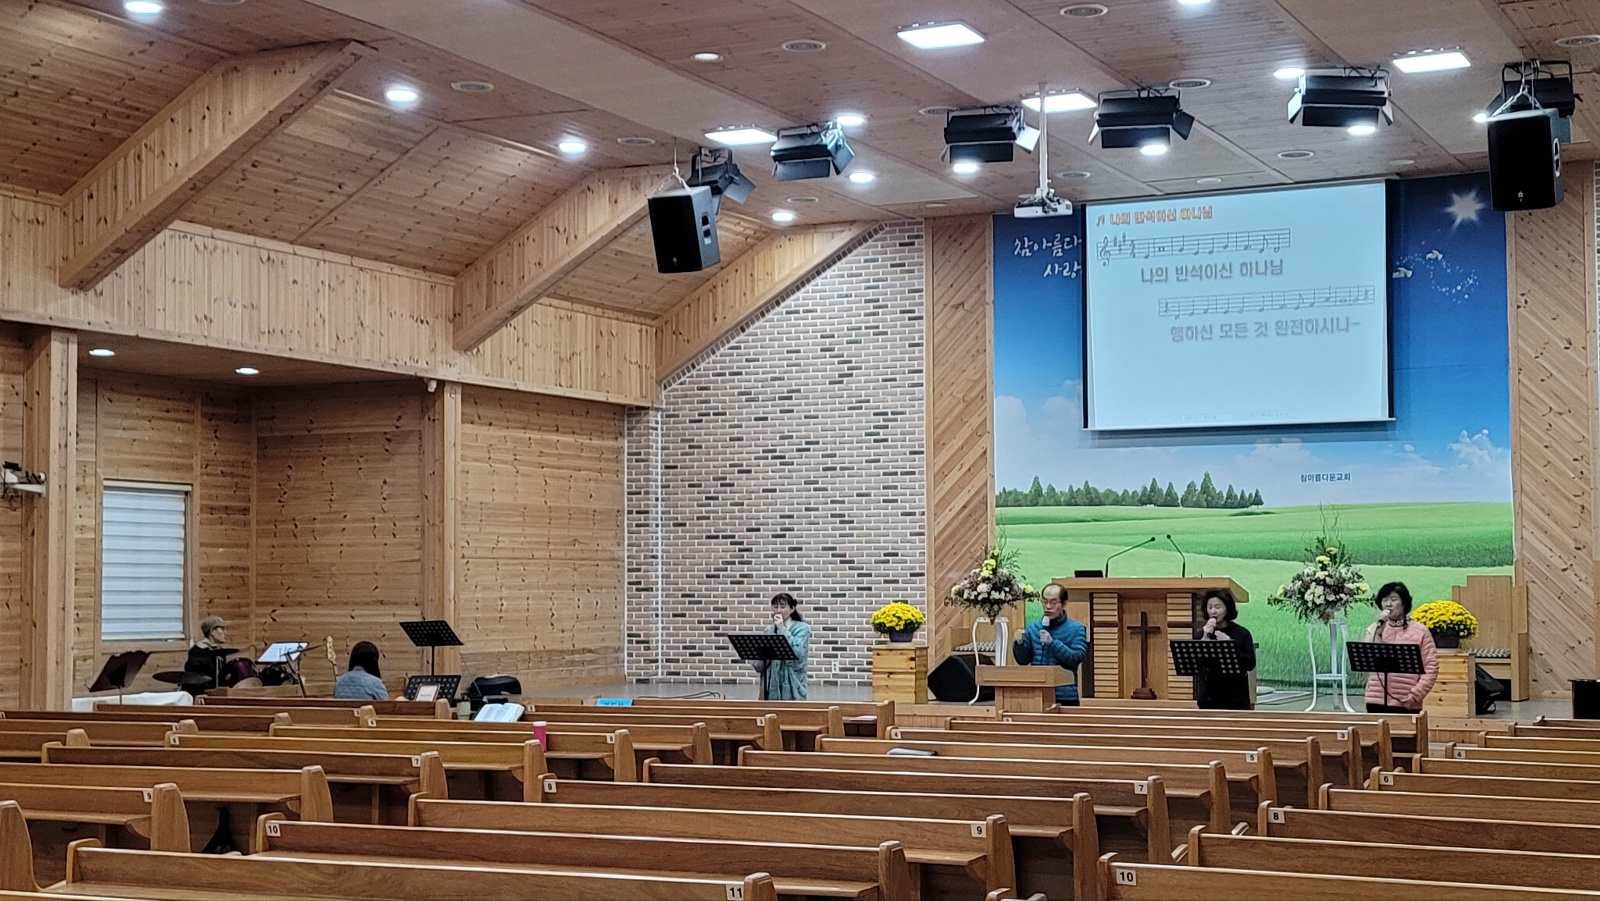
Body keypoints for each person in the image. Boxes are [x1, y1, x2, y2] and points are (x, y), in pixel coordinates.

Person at [1362, 581, 1440, 713]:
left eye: (1393, 599)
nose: (1388, 604)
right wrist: (1378, 632)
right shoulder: (1374, 628)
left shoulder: (1420, 631)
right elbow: (1366, 658)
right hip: (1375, 700)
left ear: (1404, 603)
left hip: (1406, 701)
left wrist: (1415, 695)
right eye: (1384, 600)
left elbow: (1431, 667)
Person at [1012, 583, 1089, 704]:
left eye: (1053, 603)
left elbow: (1076, 658)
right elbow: (1023, 661)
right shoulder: (1033, 628)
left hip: (1064, 696)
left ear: (1064, 604)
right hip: (1036, 694)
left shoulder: (1076, 629)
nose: (1048, 606)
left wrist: (1053, 643)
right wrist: (1019, 644)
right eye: (1045, 602)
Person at [1192, 588, 1256, 710]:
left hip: (1235, 698)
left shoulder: (1241, 633)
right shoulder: (1201, 635)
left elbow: (1250, 663)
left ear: (1227, 608)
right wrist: (1205, 637)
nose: (1213, 611)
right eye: (1210, 607)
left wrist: (1229, 644)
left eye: (1217, 607)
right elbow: (1195, 664)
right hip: (1208, 698)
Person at [751, 592, 811, 700]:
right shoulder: (768, 630)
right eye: (775, 607)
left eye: (782, 607)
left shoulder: (802, 629)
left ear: (792, 609)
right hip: (769, 689)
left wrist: (781, 628)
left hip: (793, 688)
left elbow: (798, 653)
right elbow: (759, 666)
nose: (778, 610)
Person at [182, 615, 235, 695]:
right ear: (212, 631)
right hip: (201, 695)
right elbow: (196, 680)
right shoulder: (197, 653)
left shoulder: (220, 651)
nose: (225, 633)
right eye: (222, 629)